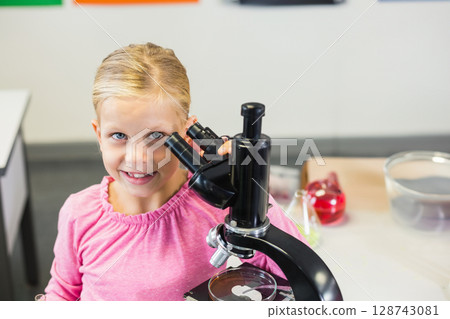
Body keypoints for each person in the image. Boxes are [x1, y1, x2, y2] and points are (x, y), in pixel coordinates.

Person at [42, 42, 306, 301]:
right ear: (99, 135)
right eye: (119, 135)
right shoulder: (79, 212)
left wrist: (249, 193)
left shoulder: (216, 207)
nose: (138, 158)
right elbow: (63, 292)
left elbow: (295, 272)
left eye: (156, 136)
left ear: (188, 135)